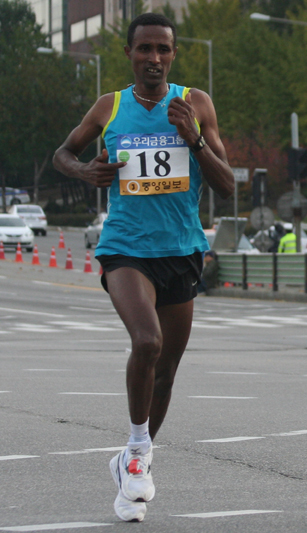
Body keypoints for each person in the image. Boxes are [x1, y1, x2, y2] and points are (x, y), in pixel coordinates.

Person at [53, 13, 234, 521]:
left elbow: (225, 185)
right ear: (130, 54)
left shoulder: (194, 104)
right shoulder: (110, 107)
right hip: (126, 248)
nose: (154, 58)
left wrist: (193, 137)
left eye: (163, 50)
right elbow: (62, 154)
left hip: (181, 250)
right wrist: (86, 169)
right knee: (147, 342)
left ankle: (133, 460)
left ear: (173, 55)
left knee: (168, 371)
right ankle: (136, 453)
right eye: (145, 49)